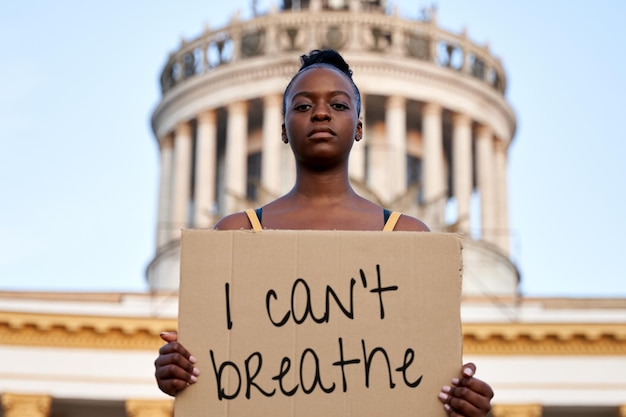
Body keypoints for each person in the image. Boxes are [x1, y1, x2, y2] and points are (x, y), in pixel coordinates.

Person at [154, 49, 494, 416]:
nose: (320, 113)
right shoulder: (235, 233)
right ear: (283, 128)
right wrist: (184, 371)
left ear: (359, 126)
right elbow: (218, 369)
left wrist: (461, 403)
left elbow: (419, 375)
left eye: (338, 105)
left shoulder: (409, 237)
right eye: (302, 107)